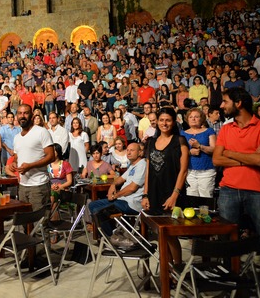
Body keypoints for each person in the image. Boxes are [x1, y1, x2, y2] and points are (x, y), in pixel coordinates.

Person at [213, 87, 260, 285]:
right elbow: (216, 159)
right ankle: (231, 284)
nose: (221, 105)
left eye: (225, 101)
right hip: (229, 189)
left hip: (259, 190)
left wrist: (230, 153)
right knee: (226, 244)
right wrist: (250, 158)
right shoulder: (227, 128)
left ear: (238, 103)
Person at [141, 107, 189, 265]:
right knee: (160, 235)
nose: (164, 123)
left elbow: (183, 171)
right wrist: (145, 194)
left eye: (168, 120)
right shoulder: (151, 142)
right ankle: (166, 272)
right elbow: (148, 171)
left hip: (172, 193)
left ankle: (177, 269)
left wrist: (174, 195)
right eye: (161, 120)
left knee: (171, 235)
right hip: (154, 194)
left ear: (174, 122)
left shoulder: (179, 141)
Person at [88, 142, 146, 236]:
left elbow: (132, 188)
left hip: (132, 203)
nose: (128, 152)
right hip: (122, 200)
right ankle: (114, 233)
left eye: (132, 150)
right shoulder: (132, 166)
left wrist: (115, 195)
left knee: (98, 210)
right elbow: (121, 179)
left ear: (140, 152)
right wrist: (113, 186)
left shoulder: (142, 165)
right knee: (92, 205)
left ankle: (112, 236)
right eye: (127, 150)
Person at [8, 104, 54, 212]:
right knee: (25, 224)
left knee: (39, 224)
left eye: (26, 113)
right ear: (16, 116)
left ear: (32, 115)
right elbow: (16, 157)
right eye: (20, 113)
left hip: (38, 185)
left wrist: (30, 166)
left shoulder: (41, 132)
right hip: (23, 185)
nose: (22, 116)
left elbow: (51, 156)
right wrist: (14, 163)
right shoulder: (17, 137)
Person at [180, 108, 216, 197]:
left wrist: (200, 146)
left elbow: (215, 149)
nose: (193, 119)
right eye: (191, 117)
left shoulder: (209, 131)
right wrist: (189, 152)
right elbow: (178, 152)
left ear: (202, 119)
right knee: (191, 197)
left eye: (196, 117)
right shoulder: (182, 133)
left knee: (206, 196)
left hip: (206, 170)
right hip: (189, 170)